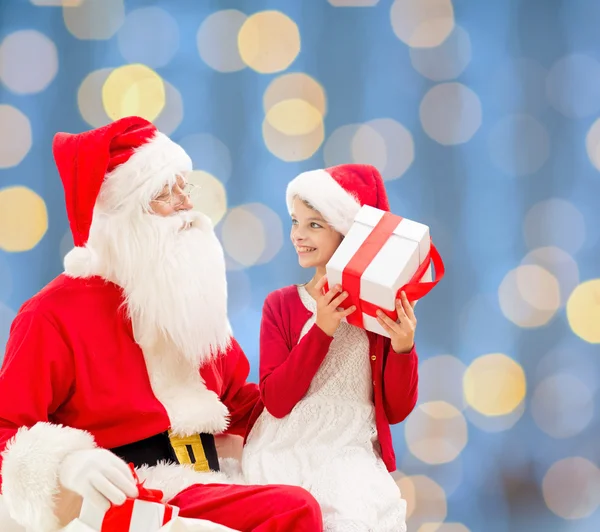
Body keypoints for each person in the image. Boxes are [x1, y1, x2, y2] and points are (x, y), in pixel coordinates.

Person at [0, 116, 322, 532]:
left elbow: (240, 402)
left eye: (184, 188)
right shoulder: (51, 315)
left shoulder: (184, 294)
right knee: (293, 510)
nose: (186, 205)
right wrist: (68, 462)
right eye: (163, 195)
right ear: (121, 215)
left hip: (212, 476)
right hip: (139, 492)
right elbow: (7, 428)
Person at [241, 164, 419, 531]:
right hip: (287, 447)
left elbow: (397, 408)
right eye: (295, 221)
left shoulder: (380, 313)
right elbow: (275, 400)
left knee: (359, 516)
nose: (298, 235)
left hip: (352, 451)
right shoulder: (282, 305)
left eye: (315, 225)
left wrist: (403, 349)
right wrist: (321, 328)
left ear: (348, 234)